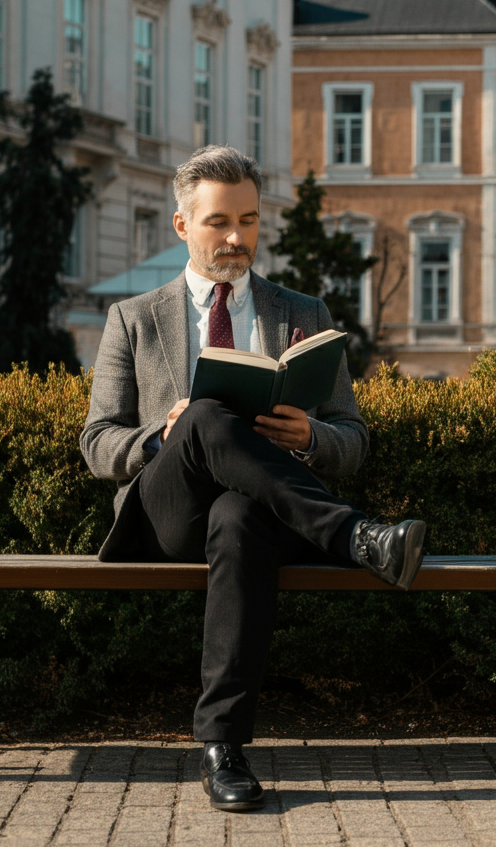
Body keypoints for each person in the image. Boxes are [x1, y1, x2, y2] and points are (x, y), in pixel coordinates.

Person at [80, 144, 425, 812]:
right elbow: (97, 443)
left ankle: (222, 747)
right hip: (167, 516)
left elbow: (352, 440)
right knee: (205, 415)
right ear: (183, 225)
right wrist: (163, 433)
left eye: (248, 220)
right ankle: (357, 538)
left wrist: (312, 436)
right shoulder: (133, 319)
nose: (237, 238)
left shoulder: (304, 313)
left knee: (237, 519)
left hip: (264, 519)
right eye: (218, 223)